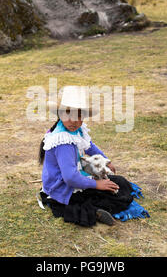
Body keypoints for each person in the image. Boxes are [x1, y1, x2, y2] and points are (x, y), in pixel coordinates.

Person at [38, 86, 134, 227]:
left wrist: (106, 161)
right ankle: (96, 212)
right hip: (63, 186)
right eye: (68, 115)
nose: (73, 121)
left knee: (119, 182)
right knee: (105, 198)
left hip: (72, 177)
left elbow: (89, 146)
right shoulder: (62, 142)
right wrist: (97, 184)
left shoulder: (76, 130)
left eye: (78, 115)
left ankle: (96, 203)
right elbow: (70, 178)